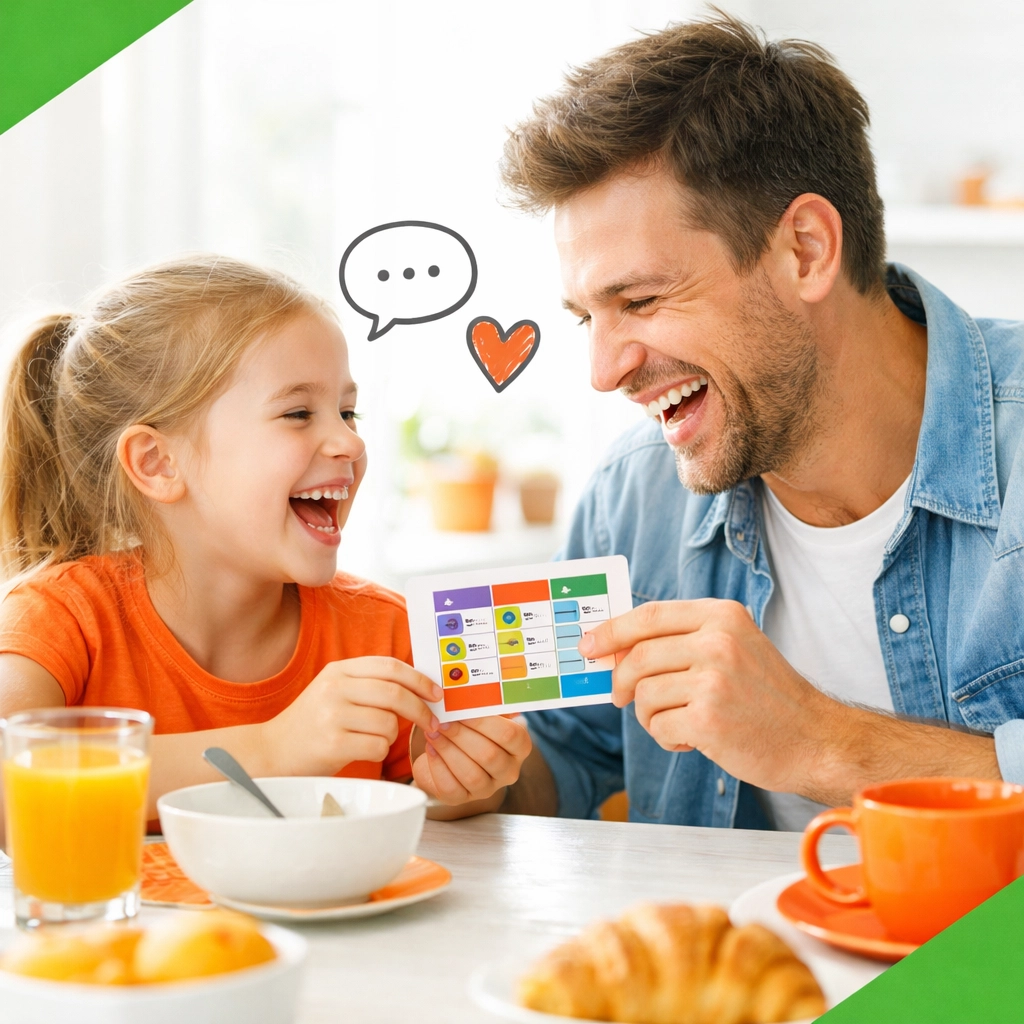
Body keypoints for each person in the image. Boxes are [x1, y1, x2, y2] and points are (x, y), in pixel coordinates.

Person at [484, 14, 1024, 829]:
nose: (604, 372)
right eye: (586, 317)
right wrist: (477, 776)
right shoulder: (633, 496)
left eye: (640, 301)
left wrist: (821, 742)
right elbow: (571, 757)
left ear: (805, 250)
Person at [0, 255, 530, 823]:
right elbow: (13, 788)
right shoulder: (60, 619)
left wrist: (457, 783)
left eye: (349, 413)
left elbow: (440, 814)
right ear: (157, 462)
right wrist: (273, 748)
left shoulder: (387, 633)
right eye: (299, 412)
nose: (349, 444)